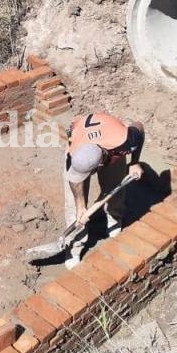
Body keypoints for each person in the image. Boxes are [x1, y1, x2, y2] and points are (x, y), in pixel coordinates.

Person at [63, 112, 145, 269]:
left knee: (114, 189)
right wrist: (81, 206)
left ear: (100, 163)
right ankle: (73, 248)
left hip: (111, 148)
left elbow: (139, 127)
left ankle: (114, 220)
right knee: (74, 209)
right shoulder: (73, 156)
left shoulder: (125, 140)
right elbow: (75, 180)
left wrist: (135, 162)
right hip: (82, 143)